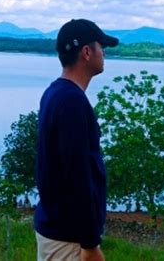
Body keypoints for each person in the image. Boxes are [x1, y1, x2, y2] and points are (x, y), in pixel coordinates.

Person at [34, 19, 119, 261]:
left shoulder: (55, 93)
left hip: (58, 231)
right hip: (68, 240)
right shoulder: (72, 101)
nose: (104, 53)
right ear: (86, 52)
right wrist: (90, 244)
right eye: (102, 47)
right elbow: (77, 176)